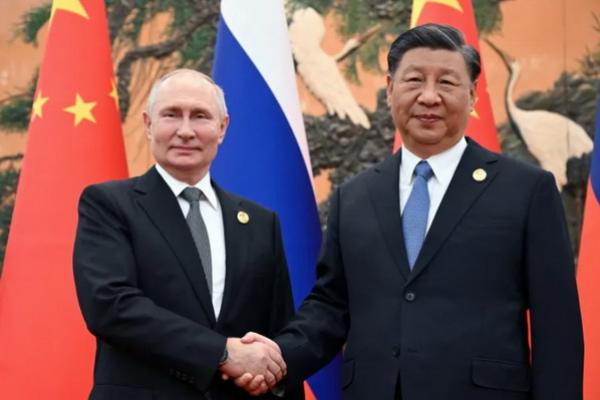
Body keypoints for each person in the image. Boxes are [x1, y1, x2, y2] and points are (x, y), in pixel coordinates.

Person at [238, 23, 584, 400]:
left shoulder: (526, 190)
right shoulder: (353, 197)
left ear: (471, 96)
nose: (429, 96)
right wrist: (278, 357)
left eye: (447, 83)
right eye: (414, 80)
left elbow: (558, 326)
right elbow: (331, 307)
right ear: (390, 90)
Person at [73, 69, 303, 400]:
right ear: (148, 123)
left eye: (199, 116)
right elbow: (110, 306)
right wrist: (221, 353)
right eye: (171, 115)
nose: (185, 131)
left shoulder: (260, 223)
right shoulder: (109, 204)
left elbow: (277, 332)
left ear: (222, 128)